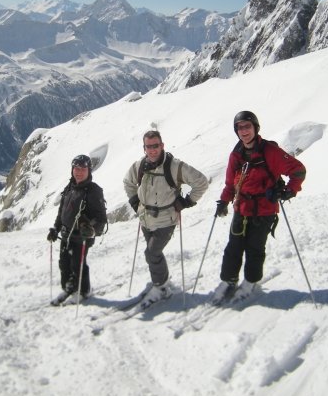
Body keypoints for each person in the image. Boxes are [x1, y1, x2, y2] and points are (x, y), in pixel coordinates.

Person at [213, 110, 306, 303]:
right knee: (234, 247)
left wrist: (290, 190)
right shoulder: (236, 154)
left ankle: (250, 282)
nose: (244, 131)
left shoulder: (270, 152)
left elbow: (298, 170)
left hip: (264, 209)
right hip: (242, 207)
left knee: (255, 248)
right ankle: (228, 280)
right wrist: (224, 201)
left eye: (247, 126)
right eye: (240, 127)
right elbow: (230, 184)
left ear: (255, 128)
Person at [123, 130, 208, 305]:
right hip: (145, 218)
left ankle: (161, 287)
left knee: (152, 253)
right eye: (149, 146)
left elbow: (201, 182)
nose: (152, 150)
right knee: (154, 253)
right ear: (144, 148)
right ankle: (162, 280)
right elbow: (128, 182)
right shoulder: (139, 165)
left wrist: (186, 202)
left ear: (162, 146)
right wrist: (135, 203)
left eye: (156, 146)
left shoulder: (174, 166)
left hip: (166, 220)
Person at [47, 154, 108, 306]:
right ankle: (69, 288)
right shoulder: (70, 187)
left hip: (81, 237)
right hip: (66, 234)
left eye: (82, 169)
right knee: (64, 264)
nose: (79, 172)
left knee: (77, 264)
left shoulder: (93, 191)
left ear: (89, 170)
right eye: (76, 168)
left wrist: (91, 229)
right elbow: (62, 211)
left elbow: (101, 218)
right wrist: (56, 228)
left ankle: (82, 291)